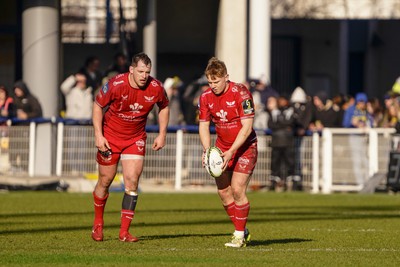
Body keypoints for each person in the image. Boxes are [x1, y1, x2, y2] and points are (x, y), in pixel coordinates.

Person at [91, 52, 170, 242]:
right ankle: (98, 224)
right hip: (110, 137)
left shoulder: (156, 87)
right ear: (131, 70)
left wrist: (162, 134)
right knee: (105, 180)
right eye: (141, 71)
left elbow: (164, 106)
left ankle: (124, 232)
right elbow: (97, 106)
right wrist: (99, 135)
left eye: (147, 72)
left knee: (132, 181)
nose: (144, 76)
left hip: (135, 139)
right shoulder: (115, 84)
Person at [198, 57, 257, 248]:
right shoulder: (205, 97)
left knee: (238, 189)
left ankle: (239, 237)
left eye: (216, 81)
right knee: (224, 192)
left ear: (226, 77)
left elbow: (247, 127)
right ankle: (242, 230)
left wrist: (232, 151)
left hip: (245, 148)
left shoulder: (241, 93)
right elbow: (204, 126)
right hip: (221, 148)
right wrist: (207, 151)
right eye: (210, 82)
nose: (213, 86)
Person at [266, 95, 296, 191]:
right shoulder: (274, 112)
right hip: (277, 142)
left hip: (287, 142)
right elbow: (270, 124)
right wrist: (285, 127)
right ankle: (274, 183)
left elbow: (292, 122)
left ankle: (291, 184)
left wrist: (279, 125)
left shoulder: (290, 111)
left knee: (290, 162)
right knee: (275, 163)